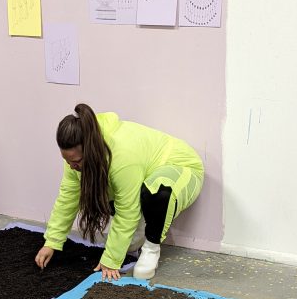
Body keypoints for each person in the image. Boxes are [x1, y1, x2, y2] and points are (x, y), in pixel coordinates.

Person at [35, 104, 204, 282]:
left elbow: (127, 210)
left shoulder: (122, 156)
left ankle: (151, 248)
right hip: (144, 177)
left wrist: (111, 260)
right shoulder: (75, 158)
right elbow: (67, 198)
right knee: (125, 239)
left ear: (90, 151)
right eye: (67, 160)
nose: (71, 166)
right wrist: (52, 242)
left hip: (182, 170)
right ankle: (138, 235)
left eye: (76, 161)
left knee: (157, 193)